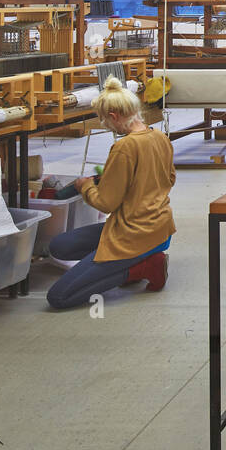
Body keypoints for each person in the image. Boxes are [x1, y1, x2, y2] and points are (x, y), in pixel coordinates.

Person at [46, 77, 175, 310]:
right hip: (158, 226)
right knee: (59, 246)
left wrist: (84, 185)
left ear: (114, 116)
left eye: (104, 120)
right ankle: (127, 261)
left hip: (134, 233)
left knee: (58, 297)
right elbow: (169, 178)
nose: (105, 124)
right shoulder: (159, 137)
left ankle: (140, 267)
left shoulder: (124, 147)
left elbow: (106, 203)